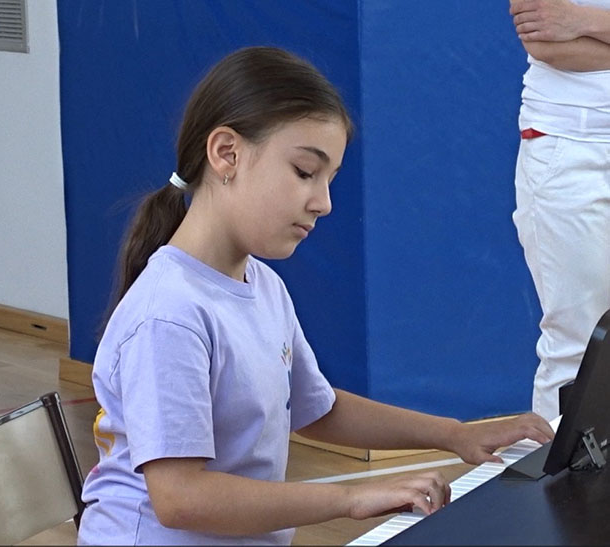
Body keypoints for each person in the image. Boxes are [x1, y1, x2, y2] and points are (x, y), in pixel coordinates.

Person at [77, 46, 554, 546]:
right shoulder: (169, 313)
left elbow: (317, 408)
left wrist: (455, 434)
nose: (323, 203)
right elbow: (181, 498)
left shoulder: (263, 285)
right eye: (306, 171)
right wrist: (350, 499)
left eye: (330, 180)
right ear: (226, 154)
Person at [509, 0, 610, 421]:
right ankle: (561, 466)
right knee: (579, 343)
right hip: (569, 148)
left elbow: (564, 30)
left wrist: (584, 20)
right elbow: (545, 42)